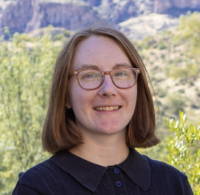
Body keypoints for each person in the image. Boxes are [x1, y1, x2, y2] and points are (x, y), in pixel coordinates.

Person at [12, 24, 193, 195]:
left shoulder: (174, 184)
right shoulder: (37, 188)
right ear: (65, 96)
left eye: (121, 73)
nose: (108, 89)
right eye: (90, 75)